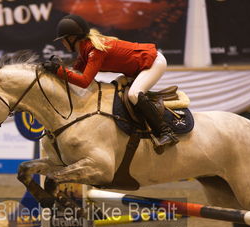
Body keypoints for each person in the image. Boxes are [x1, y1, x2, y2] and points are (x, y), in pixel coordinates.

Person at [42, 14, 178, 147]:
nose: (62, 43)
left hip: (153, 62)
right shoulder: (85, 51)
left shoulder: (95, 50)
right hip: (138, 69)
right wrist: (56, 71)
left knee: (134, 94)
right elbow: (74, 73)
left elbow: (84, 82)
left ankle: (166, 131)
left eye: (63, 39)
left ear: (72, 38)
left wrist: (58, 70)